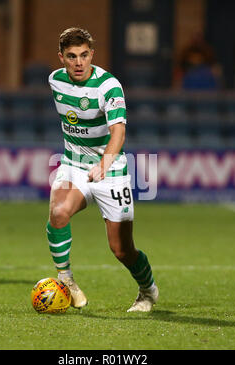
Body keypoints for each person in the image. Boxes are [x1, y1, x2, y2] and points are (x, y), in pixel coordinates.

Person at [46, 27, 158, 312]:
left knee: (122, 249)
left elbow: (118, 132)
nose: (79, 62)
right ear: (61, 58)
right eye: (71, 56)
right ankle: (66, 280)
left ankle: (147, 291)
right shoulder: (55, 81)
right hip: (74, 166)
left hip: (111, 171)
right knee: (58, 213)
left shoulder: (109, 86)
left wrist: (104, 163)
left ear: (92, 55)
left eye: (84, 55)